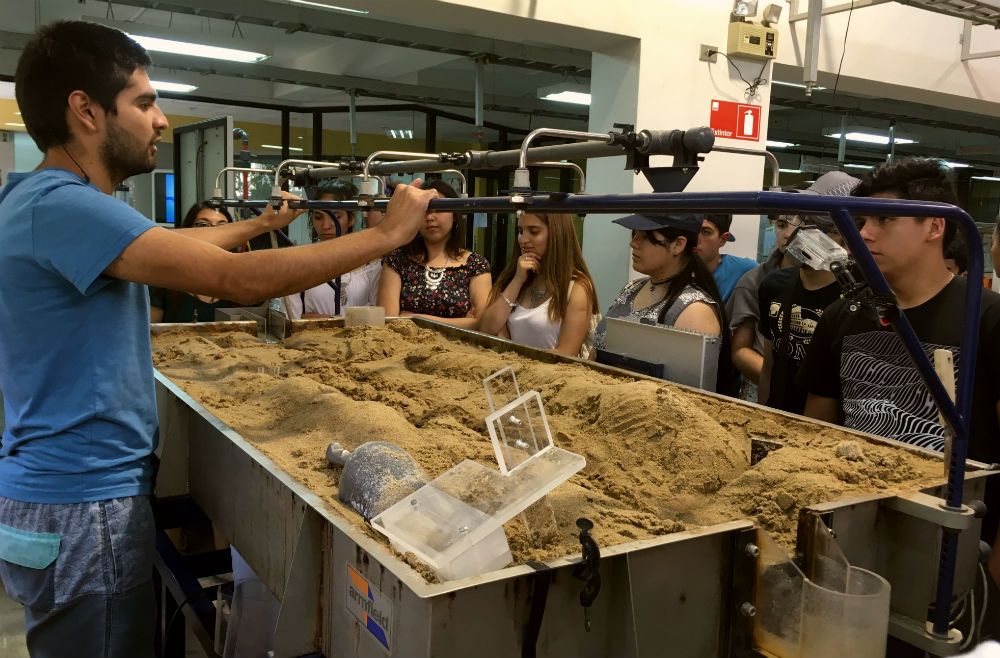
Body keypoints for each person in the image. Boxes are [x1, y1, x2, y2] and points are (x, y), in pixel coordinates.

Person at [0, 21, 433, 658]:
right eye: (144, 102)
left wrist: (261, 222)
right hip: (84, 505)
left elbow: (177, 248)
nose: (161, 120)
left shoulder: (36, 199)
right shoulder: (64, 205)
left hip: (62, 495)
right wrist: (386, 235)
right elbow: (232, 279)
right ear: (85, 110)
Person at [796, 158, 1000, 557]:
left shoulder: (988, 319)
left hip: (952, 544)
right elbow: (815, 433)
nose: (865, 234)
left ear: (934, 226)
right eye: (862, 221)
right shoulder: (843, 315)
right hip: (851, 531)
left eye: (884, 220)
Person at [757, 171, 860, 413]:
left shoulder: (857, 301)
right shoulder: (773, 285)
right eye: (803, 220)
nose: (806, 233)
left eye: (824, 228)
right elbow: (769, 366)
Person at [594, 213, 732, 393]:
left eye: (645, 237)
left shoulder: (695, 312)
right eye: (634, 234)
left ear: (678, 244)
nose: (634, 243)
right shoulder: (631, 289)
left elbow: (687, 402)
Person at [478, 213, 600, 357]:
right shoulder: (515, 277)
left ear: (557, 234)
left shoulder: (578, 287)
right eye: (520, 231)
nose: (523, 240)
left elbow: (566, 354)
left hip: (550, 376)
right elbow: (485, 332)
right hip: (509, 372)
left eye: (534, 231)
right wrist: (517, 281)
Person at [378, 179, 492, 329]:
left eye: (438, 209)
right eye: (424, 210)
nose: (430, 217)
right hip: (405, 349)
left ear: (455, 214)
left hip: (461, 350)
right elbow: (389, 322)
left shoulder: (475, 264)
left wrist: (414, 317)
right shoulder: (397, 260)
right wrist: (462, 323)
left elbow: (482, 324)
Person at [283, 179, 381, 319]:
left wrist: (323, 320)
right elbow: (292, 321)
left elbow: (378, 316)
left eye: (336, 216)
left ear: (351, 219)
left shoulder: (370, 263)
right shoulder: (300, 263)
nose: (326, 225)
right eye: (318, 217)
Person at [728, 214, 798, 401]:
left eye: (802, 225)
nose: (789, 233)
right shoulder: (753, 282)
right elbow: (740, 350)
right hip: (763, 390)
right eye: (782, 225)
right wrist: (783, 385)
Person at [149, 201, 240, 322]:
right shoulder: (164, 280)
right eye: (203, 225)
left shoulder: (238, 280)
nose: (213, 233)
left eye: (222, 227)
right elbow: (150, 332)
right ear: (188, 230)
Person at [696, 213, 757, 302]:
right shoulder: (675, 268)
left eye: (706, 232)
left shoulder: (743, 269)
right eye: (693, 230)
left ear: (723, 239)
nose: (696, 238)